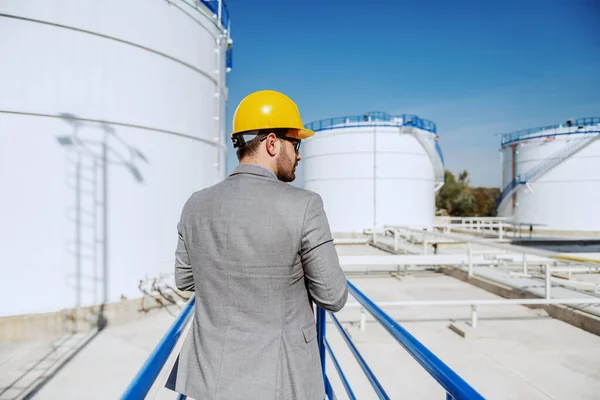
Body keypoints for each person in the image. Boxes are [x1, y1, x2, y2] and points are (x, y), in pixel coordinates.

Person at [166, 90, 348, 400]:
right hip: (280, 383)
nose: (300, 155)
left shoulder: (195, 204)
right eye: (296, 143)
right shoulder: (305, 205)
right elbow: (333, 296)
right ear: (273, 142)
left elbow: (184, 280)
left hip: (210, 379)